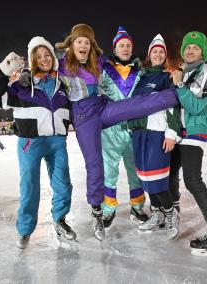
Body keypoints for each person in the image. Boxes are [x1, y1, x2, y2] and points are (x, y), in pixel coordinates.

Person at [55, 23, 178, 241]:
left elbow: (142, 73)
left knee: (137, 104)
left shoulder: (99, 62)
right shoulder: (62, 64)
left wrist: (174, 79)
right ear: (71, 44)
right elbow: (41, 64)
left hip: (104, 109)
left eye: (87, 42)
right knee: (96, 166)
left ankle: (177, 94)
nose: (83, 45)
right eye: (79, 41)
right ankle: (98, 210)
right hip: (85, 117)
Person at [0, 36, 75, 249]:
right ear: (33, 60)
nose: (44, 59)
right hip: (30, 142)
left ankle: (60, 220)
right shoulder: (21, 87)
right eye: (38, 56)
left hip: (57, 141)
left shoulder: (63, 85)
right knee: (29, 186)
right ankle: (25, 230)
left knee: (63, 183)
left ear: (53, 57)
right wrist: (4, 71)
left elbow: (76, 110)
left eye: (47, 55)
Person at [170, 31, 207, 255]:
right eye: (187, 47)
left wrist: (178, 86)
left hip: (194, 130)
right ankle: (171, 214)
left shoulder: (205, 73)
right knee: (170, 174)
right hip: (180, 131)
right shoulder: (186, 73)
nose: (190, 51)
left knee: (193, 180)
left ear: (203, 52)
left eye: (195, 48)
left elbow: (195, 107)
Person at [128, 34, 181, 238]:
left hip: (158, 133)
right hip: (139, 133)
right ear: (149, 55)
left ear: (165, 56)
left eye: (161, 52)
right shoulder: (140, 77)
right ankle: (156, 214)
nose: (158, 54)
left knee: (157, 179)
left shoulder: (167, 77)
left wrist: (171, 133)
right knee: (145, 179)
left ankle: (170, 214)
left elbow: (173, 106)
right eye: (154, 51)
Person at [100, 26, 148, 227]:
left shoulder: (140, 71)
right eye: (122, 46)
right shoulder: (104, 70)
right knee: (109, 171)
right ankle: (108, 209)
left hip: (134, 129)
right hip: (110, 130)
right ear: (115, 48)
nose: (126, 49)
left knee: (135, 171)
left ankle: (137, 208)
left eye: (129, 45)